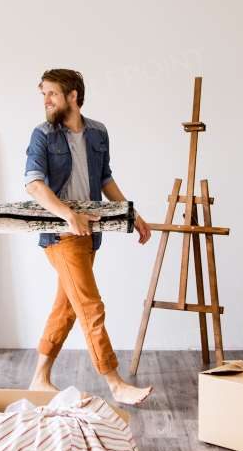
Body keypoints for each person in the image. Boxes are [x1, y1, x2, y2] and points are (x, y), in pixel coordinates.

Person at [24, 68, 154, 405]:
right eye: (43, 94)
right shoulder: (43, 134)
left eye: (51, 93)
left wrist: (132, 214)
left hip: (90, 235)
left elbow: (106, 179)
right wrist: (69, 215)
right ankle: (114, 383)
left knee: (66, 310)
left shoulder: (98, 132)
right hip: (61, 235)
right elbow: (34, 184)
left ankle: (39, 379)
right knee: (90, 307)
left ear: (73, 96)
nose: (45, 100)